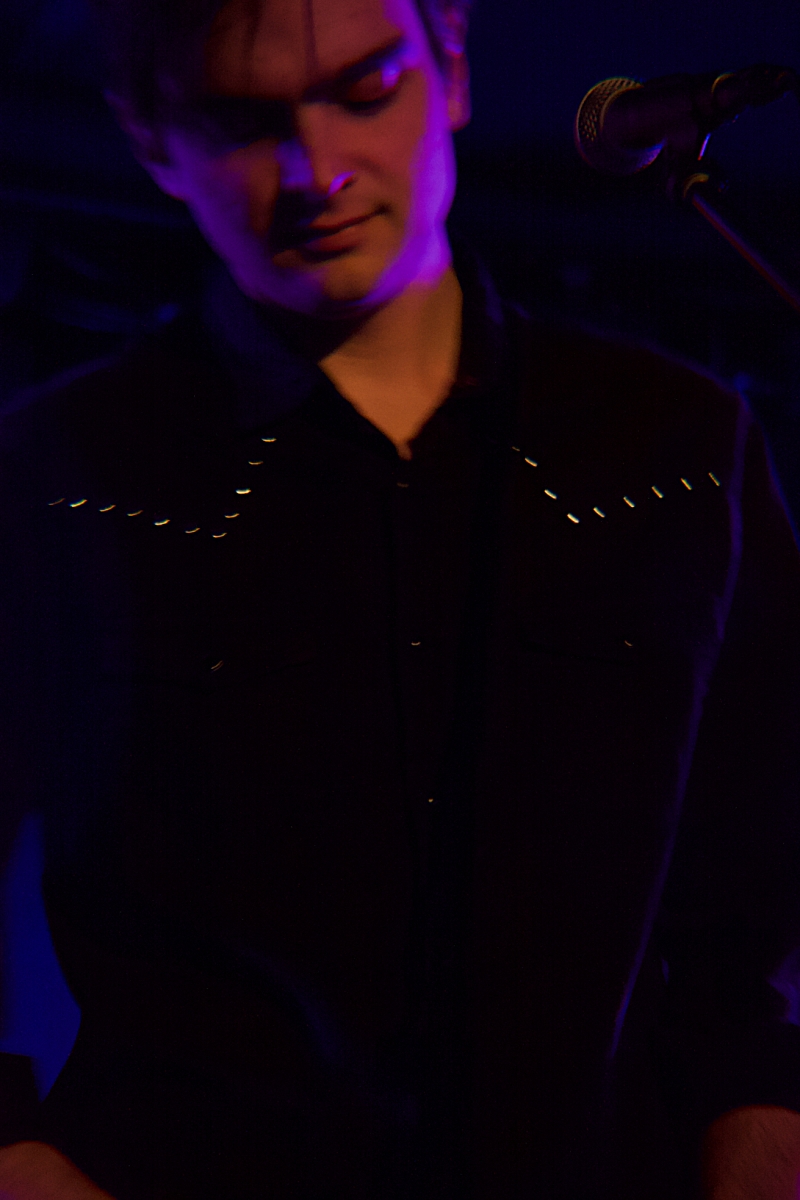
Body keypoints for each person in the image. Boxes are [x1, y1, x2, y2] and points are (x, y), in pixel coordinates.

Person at [1, 0, 800, 1195]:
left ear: (453, 72)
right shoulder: (56, 469)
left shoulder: (675, 443)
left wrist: (758, 1119)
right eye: (242, 121)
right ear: (150, 139)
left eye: (365, 91)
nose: (315, 170)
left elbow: (754, 888)